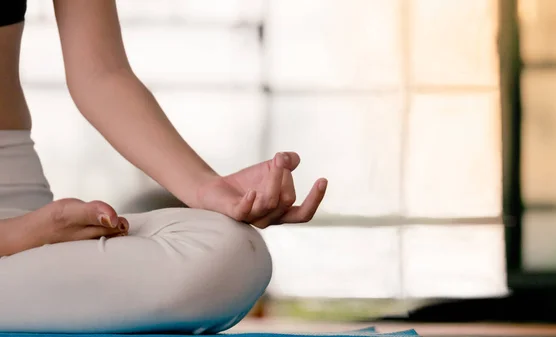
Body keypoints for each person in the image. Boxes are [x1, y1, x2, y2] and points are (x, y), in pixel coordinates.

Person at [0, 0, 328, 334]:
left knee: (228, 250)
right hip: (23, 233)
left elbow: (101, 73)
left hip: (22, 196)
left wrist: (204, 186)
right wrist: (20, 234)